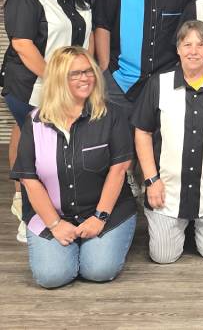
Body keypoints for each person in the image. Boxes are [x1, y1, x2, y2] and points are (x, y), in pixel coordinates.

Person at [10, 47, 136, 288]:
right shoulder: (34, 122)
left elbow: (118, 170)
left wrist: (99, 218)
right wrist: (55, 225)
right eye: (75, 73)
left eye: (89, 71)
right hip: (52, 216)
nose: (85, 78)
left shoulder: (111, 116)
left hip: (104, 212)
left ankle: (95, 246)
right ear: (58, 78)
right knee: (52, 276)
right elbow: (29, 179)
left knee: (98, 270)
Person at [132, 20, 203, 264]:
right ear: (178, 49)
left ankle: (193, 226)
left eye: (201, 45)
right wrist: (151, 180)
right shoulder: (159, 84)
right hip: (167, 193)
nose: (193, 51)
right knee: (163, 257)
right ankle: (176, 226)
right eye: (187, 45)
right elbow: (142, 132)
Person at [2, 0, 93, 243]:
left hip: (69, 86)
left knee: (60, 155)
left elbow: (86, 38)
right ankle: (30, 218)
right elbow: (23, 46)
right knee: (37, 156)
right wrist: (57, 81)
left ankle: (61, 214)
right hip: (33, 87)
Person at [93, 0, 193, 119]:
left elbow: (188, 34)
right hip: (119, 83)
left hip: (165, 85)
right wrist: (105, 67)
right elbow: (102, 25)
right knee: (119, 145)